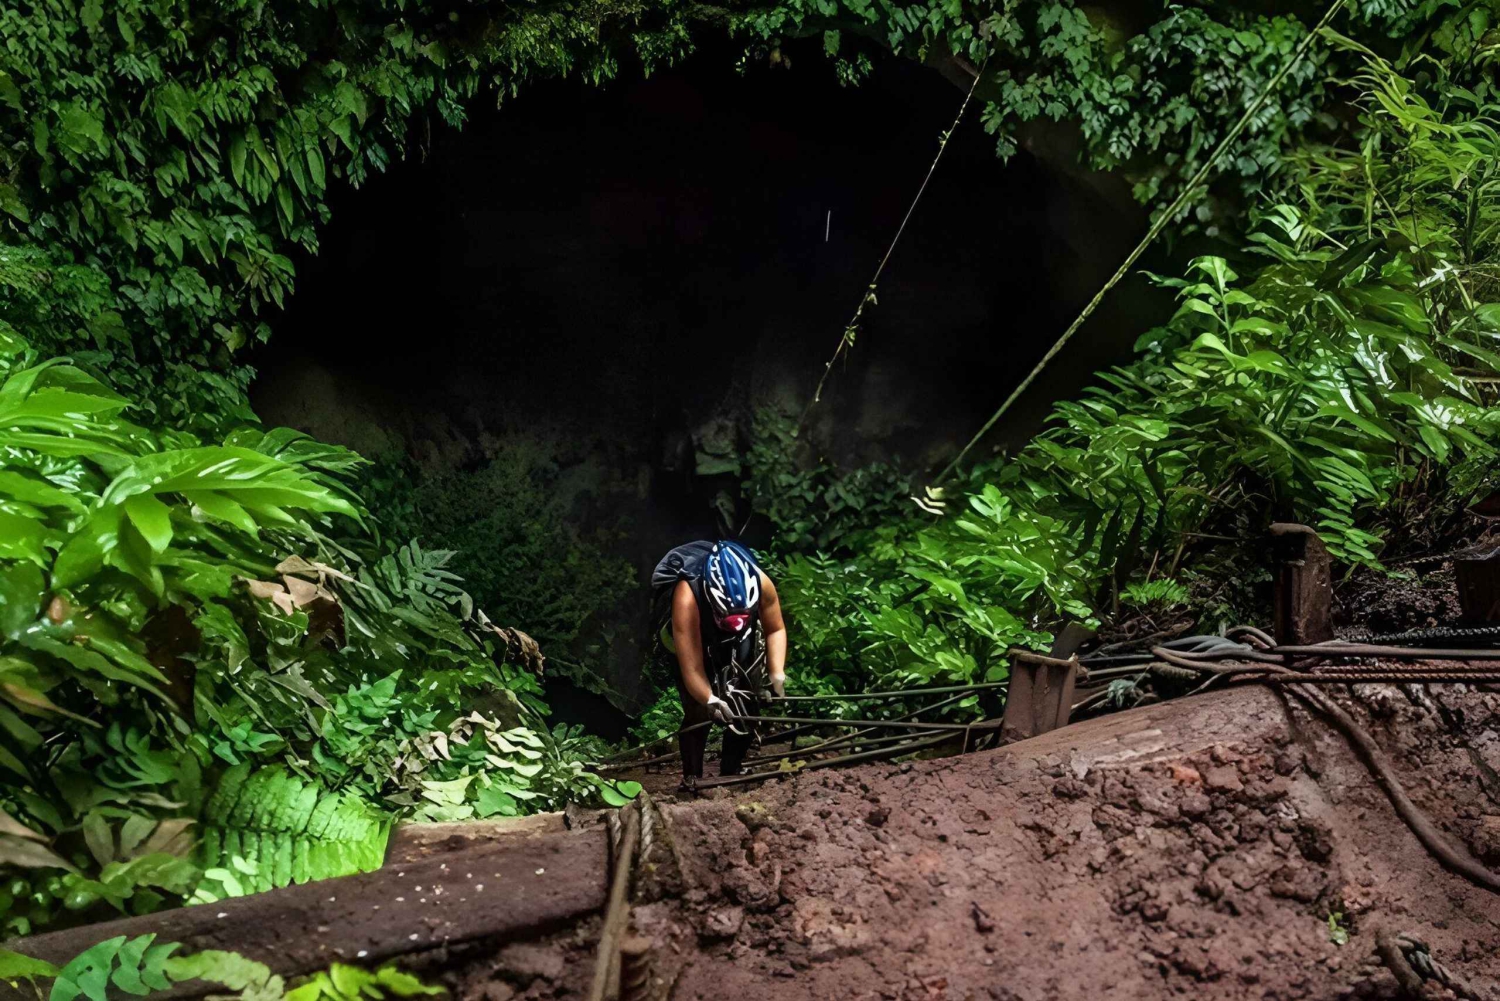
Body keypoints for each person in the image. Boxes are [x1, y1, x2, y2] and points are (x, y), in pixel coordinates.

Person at [650, 540, 787, 786]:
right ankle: (692, 778)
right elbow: (692, 666)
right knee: (698, 711)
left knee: (746, 702)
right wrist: (710, 699)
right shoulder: (686, 594)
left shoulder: (760, 580)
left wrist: (776, 674)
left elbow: (775, 629)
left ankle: (731, 770)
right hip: (689, 636)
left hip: (737, 638)